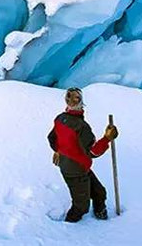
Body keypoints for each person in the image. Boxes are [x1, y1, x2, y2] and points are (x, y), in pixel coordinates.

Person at [47, 87, 119, 223]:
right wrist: (107, 138)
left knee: (99, 193)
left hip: (75, 165)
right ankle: (67, 227)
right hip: (76, 170)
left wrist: (58, 150)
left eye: (76, 97)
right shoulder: (81, 126)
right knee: (81, 206)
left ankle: (101, 214)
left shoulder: (60, 119)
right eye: (70, 97)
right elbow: (93, 152)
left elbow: (52, 138)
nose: (72, 99)